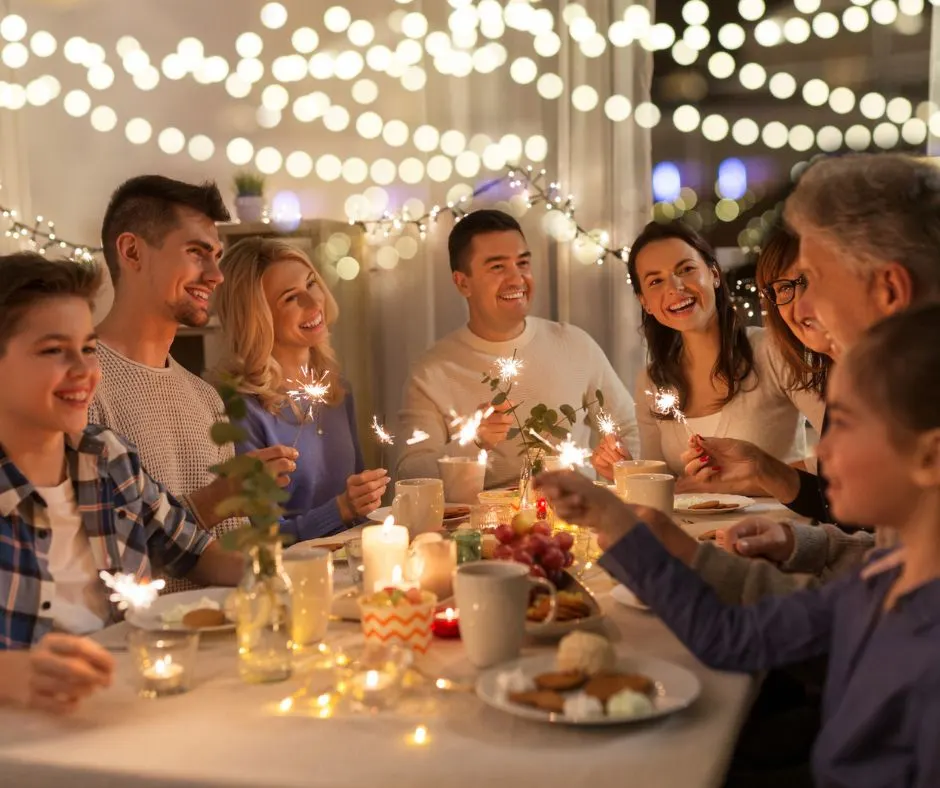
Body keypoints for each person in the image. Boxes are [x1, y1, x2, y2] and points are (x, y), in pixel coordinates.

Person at [536, 304, 940, 788]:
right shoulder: (882, 579)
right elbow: (733, 636)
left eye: (846, 425)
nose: (822, 451)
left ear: (930, 456)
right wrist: (619, 525)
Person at [0, 253, 242, 713]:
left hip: (127, 706)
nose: (84, 371)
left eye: (88, 348)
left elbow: (194, 552)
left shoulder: (106, 456)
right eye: (54, 350)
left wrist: (276, 577)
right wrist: (12, 674)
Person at [682, 152, 940, 526]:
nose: (801, 310)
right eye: (780, 291)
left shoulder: (915, 405)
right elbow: (875, 547)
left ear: (890, 289)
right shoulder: (875, 381)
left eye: (813, 280)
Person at [88, 176, 296, 589]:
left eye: (216, 255)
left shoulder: (206, 399)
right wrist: (213, 500)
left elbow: (226, 554)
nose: (216, 274)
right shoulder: (78, 389)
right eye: (196, 252)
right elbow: (93, 559)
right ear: (132, 252)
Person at [397, 209, 640, 489]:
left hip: (575, 520)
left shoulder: (575, 344)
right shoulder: (432, 371)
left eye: (523, 263)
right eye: (498, 267)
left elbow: (628, 428)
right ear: (463, 282)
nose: (517, 279)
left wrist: (621, 475)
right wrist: (474, 442)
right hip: (483, 528)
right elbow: (410, 472)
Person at [592, 220, 822, 487]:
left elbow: (839, 454)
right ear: (645, 302)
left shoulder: (773, 349)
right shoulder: (653, 381)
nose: (674, 287)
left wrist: (745, 479)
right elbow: (668, 488)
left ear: (714, 274)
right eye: (655, 281)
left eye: (686, 269)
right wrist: (627, 473)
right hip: (689, 530)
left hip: (778, 527)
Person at [213, 238, 388, 541]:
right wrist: (340, 509)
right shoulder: (241, 411)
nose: (314, 303)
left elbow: (358, 499)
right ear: (258, 319)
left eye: (312, 284)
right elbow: (259, 536)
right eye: (291, 298)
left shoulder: (337, 391)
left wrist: (365, 499)